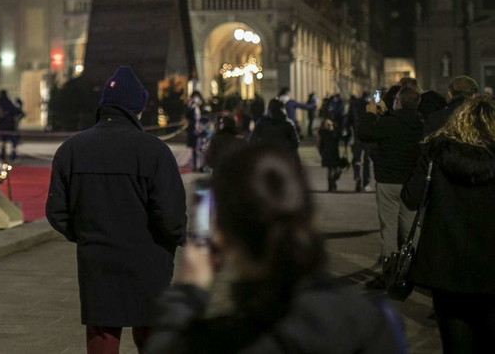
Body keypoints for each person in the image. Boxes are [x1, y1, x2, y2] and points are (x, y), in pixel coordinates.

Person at [145, 143, 402, 354]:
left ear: (224, 237)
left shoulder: (220, 341)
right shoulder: (373, 322)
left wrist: (189, 288)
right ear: (308, 215)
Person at [46, 66, 187, 353]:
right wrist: (173, 240)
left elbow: (57, 211)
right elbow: (171, 215)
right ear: (137, 107)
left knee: (103, 335)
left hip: (97, 258)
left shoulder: (71, 150)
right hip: (149, 259)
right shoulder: (154, 150)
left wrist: (85, 234)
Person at [402, 94, 495, 351]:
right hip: (491, 265)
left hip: (445, 265)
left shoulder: (436, 152)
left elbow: (411, 197)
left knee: (455, 344)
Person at [357, 86, 423, 287]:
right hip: (410, 182)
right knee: (410, 228)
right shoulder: (420, 124)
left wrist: (370, 114)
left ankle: (390, 272)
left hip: (388, 181)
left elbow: (365, 134)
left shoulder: (389, 123)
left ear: (399, 102)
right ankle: (418, 268)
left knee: (389, 228)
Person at [0, 90, 25, 163]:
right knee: (13, 142)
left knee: (3, 142)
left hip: (2, 126)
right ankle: (13, 156)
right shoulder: (7, 102)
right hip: (10, 126)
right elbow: (16, 111)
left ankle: (2, 156)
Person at [184, 92, 209, 172]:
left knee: (201, 148)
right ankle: (196, 166)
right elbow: (188, 115)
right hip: (194, 130)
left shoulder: (201, 107)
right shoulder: (192, 106)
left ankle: (202, 166)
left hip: (200, 130)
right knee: (195, 149)